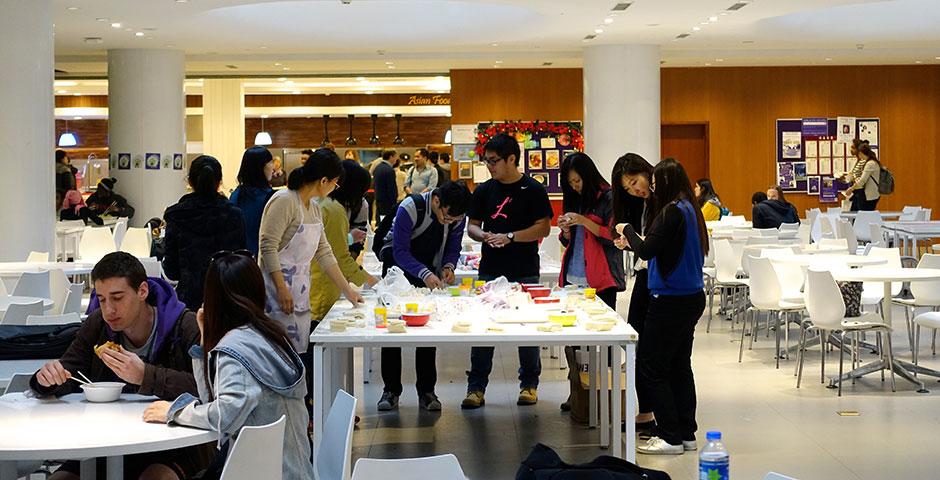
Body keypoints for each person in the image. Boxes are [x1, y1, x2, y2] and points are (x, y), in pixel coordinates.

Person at [31, 252, 208, 480]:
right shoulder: (98, 325)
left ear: (142, 291)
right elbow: (69, 371)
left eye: (117, 297)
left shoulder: (184, 325)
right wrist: (45, 380)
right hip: (103, 440)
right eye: (102, 299)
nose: (108, 310)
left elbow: (209, 387)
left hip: (174, 443)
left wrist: (146, 376)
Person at [143, 253, 313, 480]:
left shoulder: (235, 348)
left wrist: (175, 413)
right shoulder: (269, 336)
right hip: (295, 470)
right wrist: (205, 343)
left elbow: (225, 417)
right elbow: (215, 403)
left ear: (212, 298)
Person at [616, 158, 708, 455]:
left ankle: (669, 436)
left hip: (670, 300)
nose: (649, 189)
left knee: (652, 366)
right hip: (689, 297)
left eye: (653, 184)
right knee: (679, 366)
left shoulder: (671, 212)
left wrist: (626, 229)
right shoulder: (689, 209)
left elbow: (646, 249)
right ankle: (686, 433)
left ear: (666, 183)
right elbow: (659, 249)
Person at [463, 133, 553, 409]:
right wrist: (484, 235)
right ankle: (476, 388)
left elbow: (544, 227)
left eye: (494, 161)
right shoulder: (484, 190)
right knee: (483, 329)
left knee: (526, 328)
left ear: (511, 159)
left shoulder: (534, 189)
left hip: (525, 268)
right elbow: (472, 226)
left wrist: (511, 236)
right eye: (486, 161)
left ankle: (529, 384)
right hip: (490, 268)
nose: (489, 166)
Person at [377, 181, 471, 412]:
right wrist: (425, 273)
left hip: (428, 271)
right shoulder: (410, 207)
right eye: (446, 217)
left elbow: (453, 246)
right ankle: (390, 390)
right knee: (393, 330)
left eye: (454, 220)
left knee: (428, 331)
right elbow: (399, 250)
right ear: (437, 201)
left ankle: (427, 390)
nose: (449, 222)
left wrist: (448, 266)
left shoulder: (457, 215)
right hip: (398, 272)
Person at [259, 148, 365, 353]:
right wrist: (281, 288)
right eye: (335, 182)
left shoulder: (314, 208)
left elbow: (324, 252)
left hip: (300, 292)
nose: (335, 188)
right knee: (278, 355)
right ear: (324, 181)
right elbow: (268, 247)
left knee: (298, 354)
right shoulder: (284, 200)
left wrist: (348, 291)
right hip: (275, 291)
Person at [610, 152, 656, 435]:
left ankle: (654, 413)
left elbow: (653, 246)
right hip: (645, 274)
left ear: (644, 170)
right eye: (628, 188)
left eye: (635, 181)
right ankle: (646, 411)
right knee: (637, 339)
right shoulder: (640, 204)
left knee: (653, 347)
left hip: (661, 279)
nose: (635, 189)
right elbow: (644, 247)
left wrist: (630, 235)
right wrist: (627, 243)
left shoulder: (663, 200)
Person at [163, 155, 246, 310]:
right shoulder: (234, 215)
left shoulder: (177, 216)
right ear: (219, 182)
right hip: (227, 299)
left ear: (190, 181)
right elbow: (240, 262)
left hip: (190, 301)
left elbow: (172, 271)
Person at [310, 160, 378, 321]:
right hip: (323, 285)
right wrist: (372, 281)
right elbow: (340, 256)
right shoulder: (333, 210)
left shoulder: (319, 202)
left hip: (314, 280)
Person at [557, 152, 624, 308]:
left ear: (588, 176)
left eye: (577, 181)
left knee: (600, 325)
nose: (574, 186)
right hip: (573, 273)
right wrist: (566, 230)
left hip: (601, 278)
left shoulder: (608, 197)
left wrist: (584, 221)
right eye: (570, 183)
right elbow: (567, 241)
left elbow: (614, 237)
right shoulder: (574, 197)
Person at [229, 146, 276, 256]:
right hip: (264, 258)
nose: (273, 167)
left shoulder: (236, 195)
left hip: (241, 259)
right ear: (261, 167)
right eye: (270, 162)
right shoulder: (271, 197)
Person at [843, 144, 881, 211]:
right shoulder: (872, 162)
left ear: (860, 153)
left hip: (869, 196)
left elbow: (862, 180)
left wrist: (851, 189)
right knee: (860, 215)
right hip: (870, 195)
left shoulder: (870, 164)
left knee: (864, 216)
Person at [372, 148, 399, 220]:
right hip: (388, 202)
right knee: (387, 223)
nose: (396, 160)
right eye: (395, 157)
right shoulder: (389, 170)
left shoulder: (377, 167)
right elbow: (391, 188)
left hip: (378, 199)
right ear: (391, 157)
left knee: (380, 222)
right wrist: (394, 201)